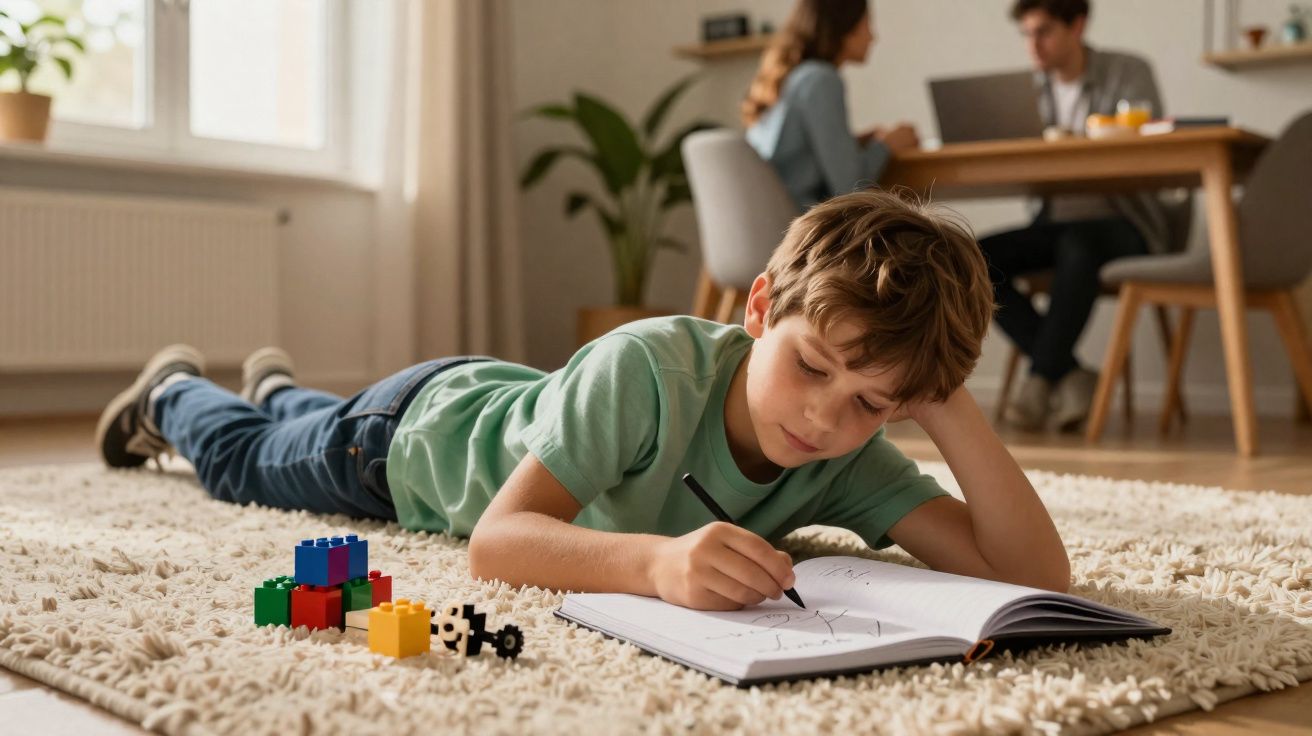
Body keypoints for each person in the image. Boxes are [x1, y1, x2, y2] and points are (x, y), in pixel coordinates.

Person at [97, 190, 1070, 611]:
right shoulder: (650, 366)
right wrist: (655, 562)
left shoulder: (848, 453)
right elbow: (497, 542)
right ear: (759, 305)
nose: (824, 418)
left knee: (286, 420)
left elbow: (1035, 580)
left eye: (873, 403)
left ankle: (275, 389)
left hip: (494, 403)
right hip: (407, 443)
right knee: (241, 466)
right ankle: (177, 391)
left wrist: (948, 405)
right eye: (812, 366)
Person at [980, 0, 1176, 432]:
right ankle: (1068, 373)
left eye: (1044, 31)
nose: (1034, 45)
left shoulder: (1127, 72)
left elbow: (1153, 148)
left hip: (1126, 223)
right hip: (1053, 222)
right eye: (1027, 34)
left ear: (1078, 25)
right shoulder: (1027, 91)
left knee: (1079, 245)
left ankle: (1039, 380)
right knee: (973, 257)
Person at [744, 0, 918, 211]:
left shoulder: (794, 77)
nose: (873, 37)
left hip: (778, 223)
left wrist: (853, 144)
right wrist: (887, 146)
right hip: (806, 228)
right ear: (843, 26)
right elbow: (850, 189)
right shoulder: (821, 80)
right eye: (866, 25)